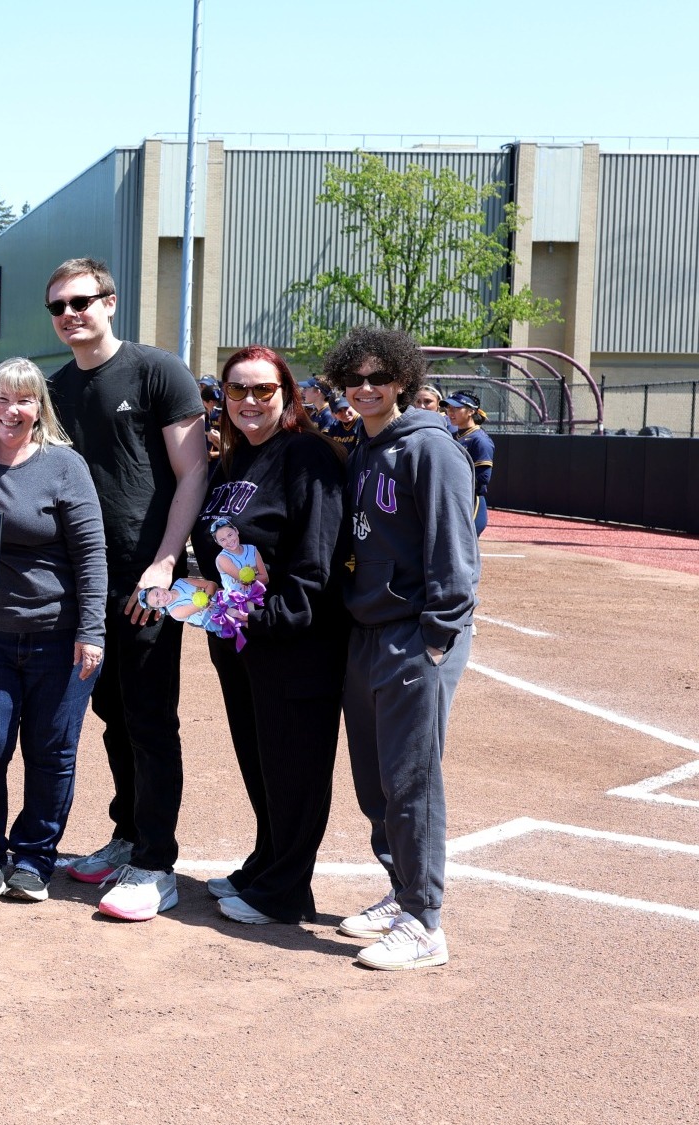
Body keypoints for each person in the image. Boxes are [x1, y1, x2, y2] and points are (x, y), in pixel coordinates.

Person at [42, 257, 207, 922]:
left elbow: (192, 473)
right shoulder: (55, 388)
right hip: (86, 587)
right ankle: (128, 832)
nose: (70, 314)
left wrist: (165, 563)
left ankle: (157, 862)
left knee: (149, 719)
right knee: (111, 715)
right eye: (58, 306)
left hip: (146, 580)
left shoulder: (157, 370)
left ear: (109, 302)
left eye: (82, 300)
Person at [327, 327, 480, 971]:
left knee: (412, 778)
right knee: (375, 780)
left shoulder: (432, 450)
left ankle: (425, 920)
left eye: (377, 378)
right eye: (354, 380)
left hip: (414, 634)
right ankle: (400, 890)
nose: (365, 389)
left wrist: (436, 639)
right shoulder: (363, 447)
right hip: (367, 632)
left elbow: (454, 551)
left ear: (402, 380)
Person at [194, 346, 349, 927]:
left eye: (263, 390)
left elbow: (317, 553)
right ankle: (267, 861)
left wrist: (279, 616)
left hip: (293, 639)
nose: (250, 401)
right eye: (238, 390)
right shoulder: (234, 459)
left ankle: (286, 890)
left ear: (286, 393)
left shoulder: (306, 454)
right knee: (261, 760)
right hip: (239, 639)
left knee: (295, 766)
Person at [0, 358, 106, 903]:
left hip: (59, 638)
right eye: (1, 399)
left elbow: (91, 554)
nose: (11, 411)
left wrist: (92, 631)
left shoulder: (65, 466)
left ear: (39, 407)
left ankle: (35, 858)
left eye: (24, 400)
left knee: (51, 751)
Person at [444, 391, 494, 536]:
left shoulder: (480, 440)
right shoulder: (453, 436)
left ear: (471, 411)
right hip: (454, 499)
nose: (451, 412)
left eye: (456, 408)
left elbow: (483, 478)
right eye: (448, 408)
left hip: (471, 501)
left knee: (464, 546)